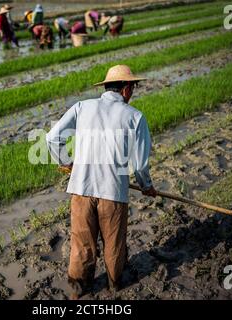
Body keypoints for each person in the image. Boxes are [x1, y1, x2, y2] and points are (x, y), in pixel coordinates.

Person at [45, 65, 158, 299]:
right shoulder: (135, 117)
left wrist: (67, 163)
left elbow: (52, 137)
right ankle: (115, 286)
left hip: (81, 189)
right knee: (114, 245)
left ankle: (78, 289)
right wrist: (146, 186)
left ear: (106, 88)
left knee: (82, 244)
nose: (133, 92)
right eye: (133, 88)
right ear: (126, 89)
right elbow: (139, 164)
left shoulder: (82, 107)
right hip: (113, 192)